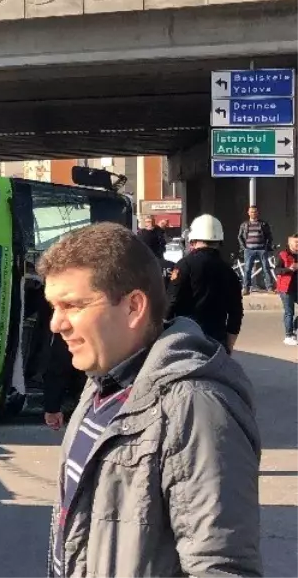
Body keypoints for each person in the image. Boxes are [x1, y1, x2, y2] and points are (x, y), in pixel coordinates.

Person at [38, 222, 261, 578]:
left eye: (72, 305)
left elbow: (220, 566)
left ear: (133, 307)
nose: (56, 323)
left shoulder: (194, 405)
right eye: (54, 306)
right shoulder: (101, 386)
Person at [167, 214, 244, 353]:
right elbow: (236, 312)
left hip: (186, 337)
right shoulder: (229, 271)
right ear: (219, 242)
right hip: (216, 340)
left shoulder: (184, 265)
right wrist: (228, 346)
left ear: (192, 241)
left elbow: (172, 302)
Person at [238, 205, 275, 294]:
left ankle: (269, 288)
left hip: (261, 249)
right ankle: (246, 288)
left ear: (257, 213)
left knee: (266, 268)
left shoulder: (263, 224)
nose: (253, 213)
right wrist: (244, 248)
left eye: (255, 212)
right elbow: (240, 237)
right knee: (247, 269)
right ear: (248, 213)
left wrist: (266, 247)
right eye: (251, 212)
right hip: (249, 250)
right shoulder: (244, 224)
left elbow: (269, 236)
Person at [275, 234, 298, 346]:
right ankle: (288, 335)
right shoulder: (283, 254)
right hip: (286, 288)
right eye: (295, 242)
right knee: (289, 312)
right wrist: (289, 269)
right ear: (290, 243)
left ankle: (293, 329)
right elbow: (277, 270)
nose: (297, 244)